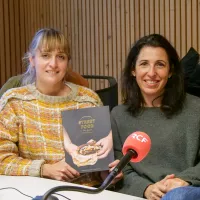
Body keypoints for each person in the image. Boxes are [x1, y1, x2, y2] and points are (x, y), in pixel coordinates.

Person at [0, 28, 122, 186]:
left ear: (67, 62)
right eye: (45, 55)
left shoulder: (87, 100)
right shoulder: (14, 101)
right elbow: (2, 159)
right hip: (34, 191)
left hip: (85, 193)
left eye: (61, 57)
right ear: (32, 60)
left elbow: (97, 167)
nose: (53, 64)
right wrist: (45, 169)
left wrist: (106, 174)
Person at [111, 34, 200, 199]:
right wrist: (146, 188)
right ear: (133, 69)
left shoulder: (196, 108)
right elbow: (121, 169)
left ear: (171, 70)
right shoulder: (118, 115)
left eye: (160, 64)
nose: (151, 73)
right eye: (144, 64)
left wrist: (184, 180)